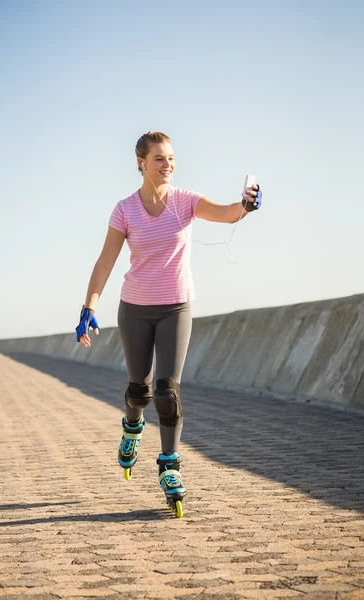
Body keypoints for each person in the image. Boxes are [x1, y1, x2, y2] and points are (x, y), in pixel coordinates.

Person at [76, 131, 261, 517]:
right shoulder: (125, 209)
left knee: (167, 392)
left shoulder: (185, 201)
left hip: (176, 307)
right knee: (139, 393)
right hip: (135, 309)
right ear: (141, 163)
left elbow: (226, 213)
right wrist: (89, 307)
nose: (168, 165)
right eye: (159, 158)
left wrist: (245, 205)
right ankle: (131, 428)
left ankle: (169, 466)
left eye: (171, 158)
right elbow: (106, 260)